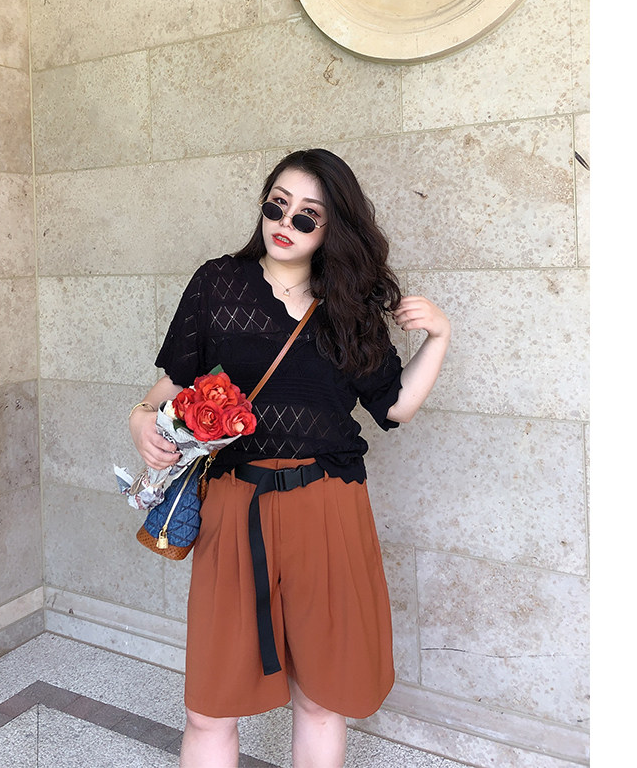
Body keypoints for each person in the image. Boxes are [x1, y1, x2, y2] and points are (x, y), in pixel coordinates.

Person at [128, 151, 451, 768]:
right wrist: (142, 418)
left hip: (328, 506)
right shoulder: (218, 282)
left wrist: (439, 335)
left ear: (333, 228)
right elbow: (170, 386)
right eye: (277, 205)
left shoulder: (349, 304)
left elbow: (395, 405)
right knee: (208, 707)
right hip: (233, 505)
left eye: (308, 216)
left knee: (320, 700)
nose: (286, 223)